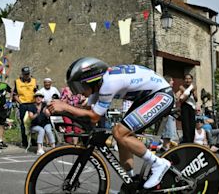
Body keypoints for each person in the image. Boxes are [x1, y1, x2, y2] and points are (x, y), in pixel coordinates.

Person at [48, 57, 174, 189]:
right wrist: (60, 112)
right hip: (145, 97)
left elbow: (95, 116)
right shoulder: (99, 86)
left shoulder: (109, 83)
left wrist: (65, 107)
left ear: (92, 81)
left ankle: (158, 163)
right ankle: (131, 180)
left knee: (119, 132)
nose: (79, 92)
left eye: (80, 86)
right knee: (121, 137)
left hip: (161, 95)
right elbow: (87, 114)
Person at [13, 67, 38, 148]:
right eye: (25, 74)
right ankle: (25, 142)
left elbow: (37, 92)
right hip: (23, 105)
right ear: (22, 74)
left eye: (28, 74)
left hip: (32, 104)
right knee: (24, 123)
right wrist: (20, 102)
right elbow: (15, 94)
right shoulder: (17, 82)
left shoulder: (34, 80)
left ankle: (33, 140)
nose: (27, 76)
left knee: (33, 122)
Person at [157, 76, 178, 152]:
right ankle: (166, 148)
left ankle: (165, 147)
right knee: (168, 132)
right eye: (171, 80)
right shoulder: (166, 91)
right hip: (168, 114)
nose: (173, 82)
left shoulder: (171, 91)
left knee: (169, 132)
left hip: (171, 114)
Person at [176, 74, 197, 143]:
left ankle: (191, 141)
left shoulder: (193, 87)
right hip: (185, 107)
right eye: (186, 79)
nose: (188, 80)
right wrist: (188, 92)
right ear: (184, 80)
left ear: (191, 80)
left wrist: (193, 93)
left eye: (189, 79)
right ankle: (186, 141)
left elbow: (196, 99)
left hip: (192, 107)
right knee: (186, 126)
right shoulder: (181, 87)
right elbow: (181, 100)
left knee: (192, 125)